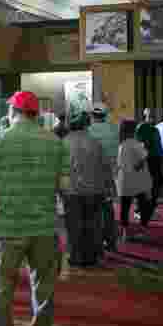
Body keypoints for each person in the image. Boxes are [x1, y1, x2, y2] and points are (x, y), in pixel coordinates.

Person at [0, 91, 69, 326]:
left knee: (1, 293)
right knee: (43, 292)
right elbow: (64, 188)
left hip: (8, 229)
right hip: (44, 228)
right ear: (35, 113)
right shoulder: (55, 143)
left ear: (13, 111)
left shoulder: (0, 140)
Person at [61, 111, 109, 266]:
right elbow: (105, 167)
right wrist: (107, 187)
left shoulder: (65, 143)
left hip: (72, 191)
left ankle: (76, 256)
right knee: (93, 224)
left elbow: (60, 169)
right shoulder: (95, 142)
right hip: (95, 190)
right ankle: (91, 256)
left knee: (74, 226)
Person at [114, 120, 155, 244]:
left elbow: (119, 163)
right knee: (143, 205)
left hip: (124, 180)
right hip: (138, 181)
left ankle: (125, 232)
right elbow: (144, 157)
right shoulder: (134, 143)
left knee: (124, 208)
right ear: (132, 131)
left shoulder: (121, 144)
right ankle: (142, 230)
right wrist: (138, 164)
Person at [87, 103, 120, 250]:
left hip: (93, 176)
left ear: (93, 115)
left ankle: (97, 240)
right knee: (108, 208)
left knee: (94, 210)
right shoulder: (114, 130)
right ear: (105, 115)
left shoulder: (88, 131)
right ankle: (111, 240)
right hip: (110, 175)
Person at [135, 109, 163, 204]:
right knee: (144, 185)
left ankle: (151, 206)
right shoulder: (141, 127)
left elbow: (159, 145)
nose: (152, 117)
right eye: (150, 115)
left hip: (155, 159)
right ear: (145, 116)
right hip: (146, 159)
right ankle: (140, 208)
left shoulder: (155, 129)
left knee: (155, 184)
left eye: (153, 115)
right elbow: (139, 144)